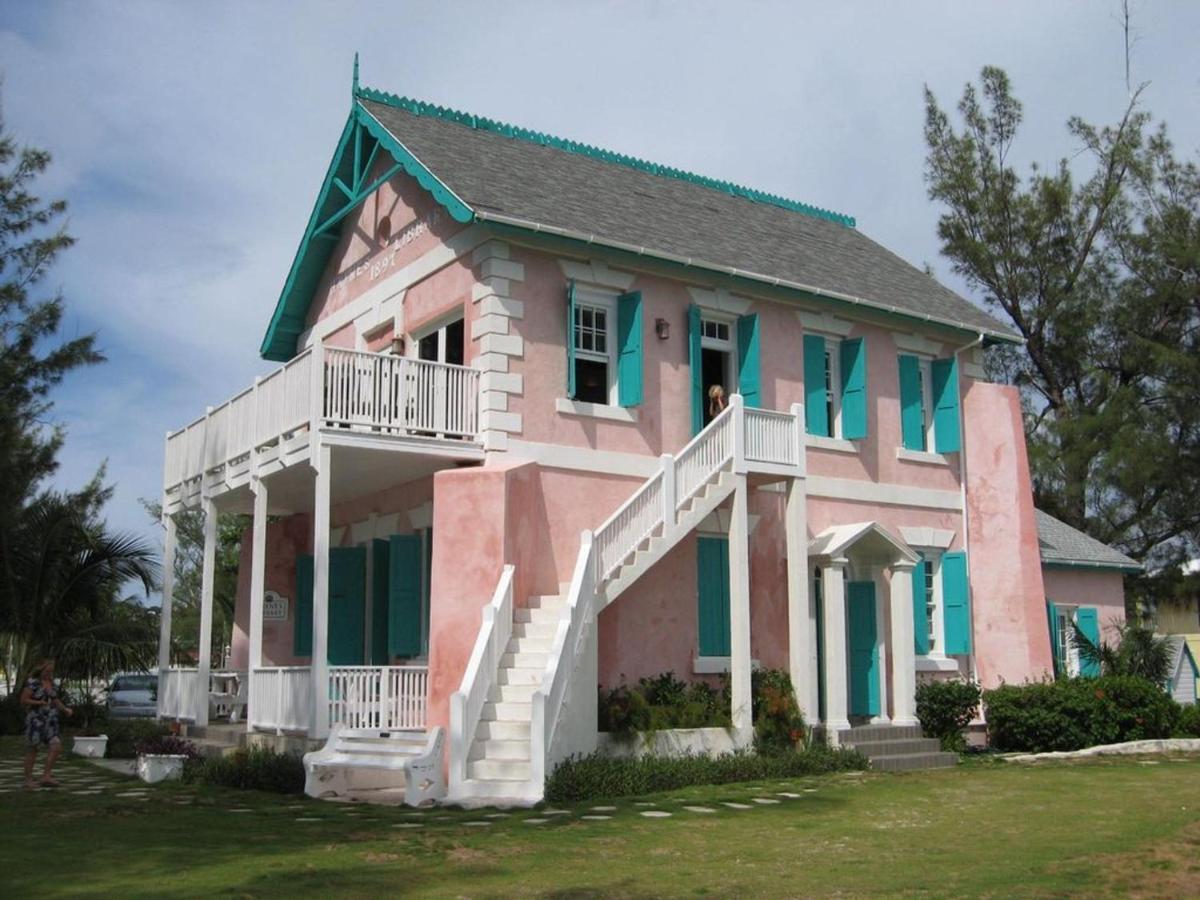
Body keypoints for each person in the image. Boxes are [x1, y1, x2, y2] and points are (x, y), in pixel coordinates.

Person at [20, 659, 73, 789]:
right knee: (33, 749)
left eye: (51, 671)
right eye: (47, 671)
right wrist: (39, 703)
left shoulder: (52, 683)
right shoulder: (33, 683)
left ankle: (46, 776)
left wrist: (65, 709)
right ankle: (28, 780)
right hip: (36, 720)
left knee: (56, 746)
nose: (49, 673)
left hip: (51, 720)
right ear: (41, 670)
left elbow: (55, 700)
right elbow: (24, 700)